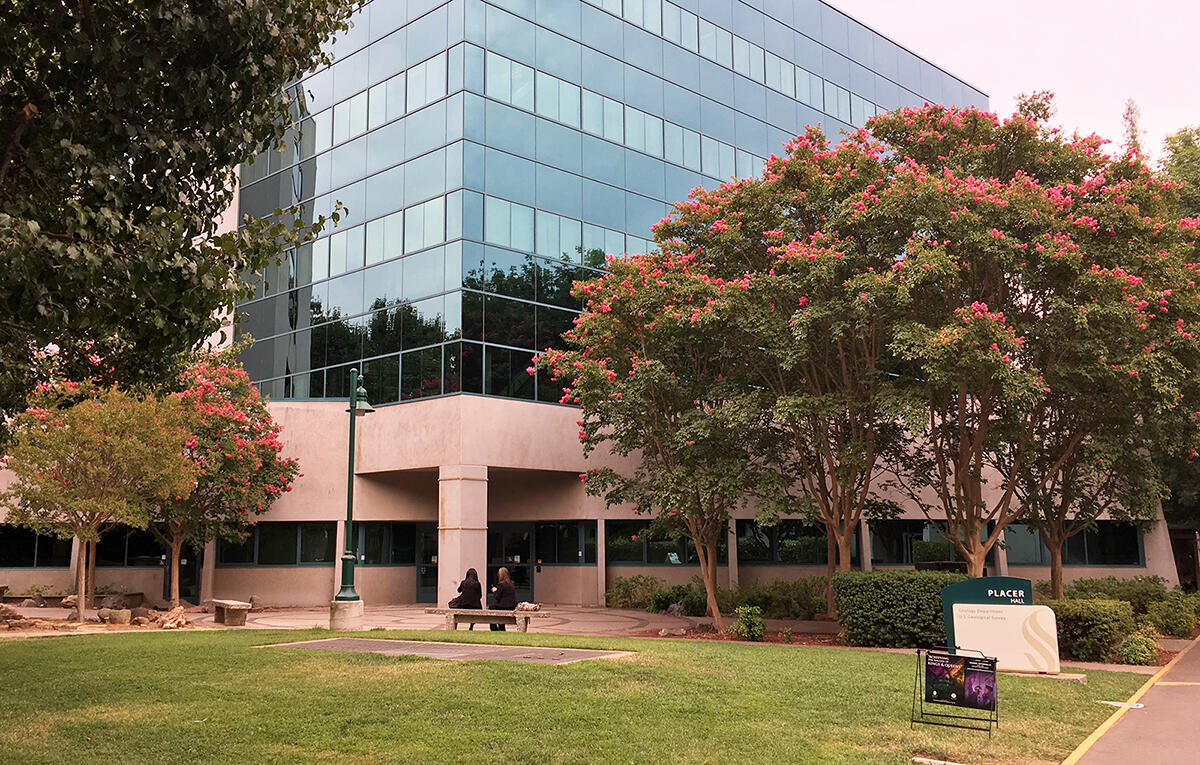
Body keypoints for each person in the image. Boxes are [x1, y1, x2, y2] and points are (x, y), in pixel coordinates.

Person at [489, 567, 516, 631]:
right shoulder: (511, 583)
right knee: (496, 606)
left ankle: (494, 628)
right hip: (512, 606)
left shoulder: (501, 584)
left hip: (504, 606)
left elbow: (497, 597)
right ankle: (501, 627)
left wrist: (494, 591)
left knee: (491, 607)